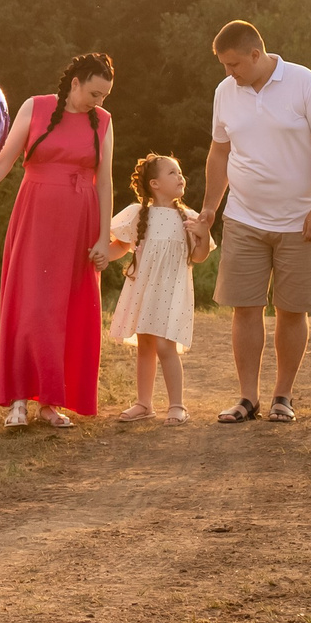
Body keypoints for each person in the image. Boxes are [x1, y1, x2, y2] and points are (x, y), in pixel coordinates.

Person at [0, 52, 116, 429]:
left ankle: (51, 402)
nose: (98, 102)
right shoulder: (36, 107)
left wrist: (104, 239)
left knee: (65, 310)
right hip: (36, 216)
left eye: (104, 96)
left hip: (80, 223)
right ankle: (19, 401)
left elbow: (105, 181)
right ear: (75, 83)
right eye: (94, 93)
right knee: (32, 306)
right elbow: (4, 160)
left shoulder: (103, 122)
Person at [197, 20, 311, 424]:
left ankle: (283, 396)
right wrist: (210, 208)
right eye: (224, 66)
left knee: (292, 310)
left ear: (256, 54)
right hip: (244, 217)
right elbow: (219, 154)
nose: (230, 73)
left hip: (302, 221)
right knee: (245, 307)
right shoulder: (225, 94)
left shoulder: (305, 83)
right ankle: (247, 398)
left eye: (234, 64)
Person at [107, 153, 210, 423]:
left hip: (173, 291)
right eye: (173, 173)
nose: (181, 177)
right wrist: (103, 256)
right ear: (154, 183)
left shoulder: (189, 217)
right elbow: (120, 245)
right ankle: (144, 403)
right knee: (145, 345)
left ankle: (177, 404)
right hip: (145, 289)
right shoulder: (138, 214)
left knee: (166, 346)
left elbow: (199, 257)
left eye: (180, 172)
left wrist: (204, 233)